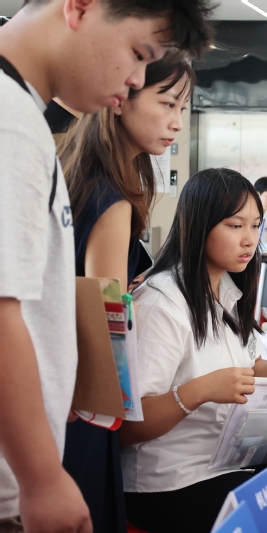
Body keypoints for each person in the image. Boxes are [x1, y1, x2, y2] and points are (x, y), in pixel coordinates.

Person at [0, 1, 211, 531]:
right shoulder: (11, 126)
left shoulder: (27, 121)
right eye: (138, 54)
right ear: (80, 7)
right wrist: (41, 478)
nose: (135, 79)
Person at [120, 168, 267, 533]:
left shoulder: (226, 291)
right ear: (199, 226)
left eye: (256, 226)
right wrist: (199, 391)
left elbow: (243, 366)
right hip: (168, 481)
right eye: (235, 226)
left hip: (224, 462)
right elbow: (129, 427)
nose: (249, 240)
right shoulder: (160, 304)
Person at [57, 51, 195, 533]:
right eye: (167, 103)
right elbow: (105, 329)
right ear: (122, 96)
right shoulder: (112, 199)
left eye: (183, 108)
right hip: (82, 407)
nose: (177, 122)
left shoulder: (72, 170)